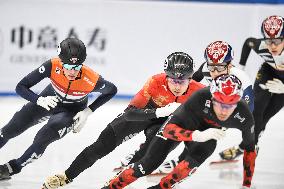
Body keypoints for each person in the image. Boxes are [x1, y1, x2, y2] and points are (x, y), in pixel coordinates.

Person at [41, 52, 205, 189]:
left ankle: (116, 181)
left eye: (181, 81)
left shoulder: (200, 92)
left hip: (167, 123)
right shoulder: (156, 81)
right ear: (166, 76)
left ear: (190, 79)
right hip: (147, 112)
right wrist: (159, 111)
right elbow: (130, 114)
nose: (176, 85)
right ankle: (67, 175)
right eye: (173, 80)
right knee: (101, 145)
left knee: (148, 155)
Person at [118, 40, 254, 175]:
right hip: (207, 106)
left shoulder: (241, 78)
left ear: (230, 65)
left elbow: (247, 110)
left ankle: (180, 161)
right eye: (211, 66)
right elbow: (190, 84)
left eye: (219, 68)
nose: (214, 72)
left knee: (198, 134)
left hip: (224, 111)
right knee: (176, 127)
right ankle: (145, 154)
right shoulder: (205, 68)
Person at [103, 74, 256, 189]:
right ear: (212, 98)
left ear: (238, 103)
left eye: (230, 106)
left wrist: (246, 185)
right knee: (147, 165)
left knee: (185, 168)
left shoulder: (244, 116)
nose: (224, 110)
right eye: (219, 103)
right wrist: (196, 135)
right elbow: (169, 129)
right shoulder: (200, 97)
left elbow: (250, 150)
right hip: (183, 123)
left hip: (208, 133)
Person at [0, 38, 117, 180]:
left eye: (77, 67)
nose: (72, 72)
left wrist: (88, 111)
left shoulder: (92, 78)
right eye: (67, 67)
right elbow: (21, 86)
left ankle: (12, 168)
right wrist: (38, 99)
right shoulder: (52, 65)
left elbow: (112, 90)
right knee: (10, 129)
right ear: (61, 62)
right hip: (48, 101)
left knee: (43, 137)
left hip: (70, 112)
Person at [219, 15, 284, 161]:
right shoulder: (261, 46)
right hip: (268, 72)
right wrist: (241, 66)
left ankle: (244, 147)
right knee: (255, 110)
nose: (272, 46)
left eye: (277, 41)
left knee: (266, 115)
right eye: (268, 41)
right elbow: (249, 42)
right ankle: (249, 146)